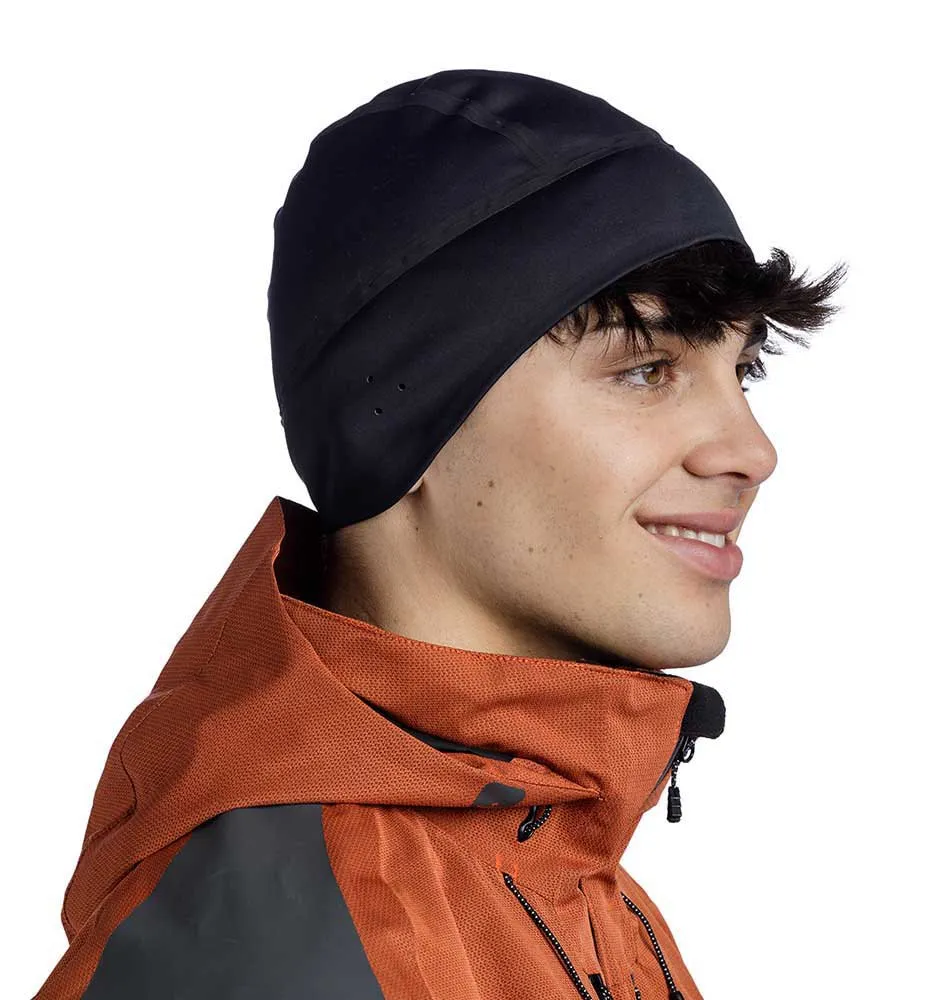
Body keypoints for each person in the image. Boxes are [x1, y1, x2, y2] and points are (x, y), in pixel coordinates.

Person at [32, 69, 846, 1000]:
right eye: (645, 371)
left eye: (744, 371)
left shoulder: (545, 863)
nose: (752, 451)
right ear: (401, 416)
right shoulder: (287, 942)